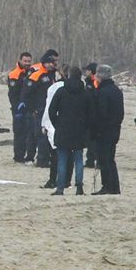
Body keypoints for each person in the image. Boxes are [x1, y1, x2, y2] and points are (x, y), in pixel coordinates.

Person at [49, 67, 93, 195]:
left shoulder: (61, 91)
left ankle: (60, 188)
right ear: (80, 77)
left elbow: (52, 110)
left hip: (63, 128)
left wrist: (57, 124)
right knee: (78, 158)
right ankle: (79, 187)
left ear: (68, 76)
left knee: (62, 158)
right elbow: (91, 114)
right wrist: (86, 127)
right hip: (79, 130)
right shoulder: (85, 93)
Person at [18, 52, 58, 167]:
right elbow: (26, 93)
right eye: (48, 63)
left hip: (50, 109)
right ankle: (39, 159)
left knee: (49, 133)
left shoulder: (53, 75)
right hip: (39, 109)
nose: (50, 65)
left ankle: (46, 157)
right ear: (43, 63)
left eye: (52, 63)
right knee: (38, 134)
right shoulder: (36, 75)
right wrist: (32, 109)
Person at [92, 64, 124, 195]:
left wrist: (97, 130)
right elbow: (120, 113)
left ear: (100, 76)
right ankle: (114, 187)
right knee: (110, 158)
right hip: (115, 129)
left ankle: (107, 186)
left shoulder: (102, 92)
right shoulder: (116, 90)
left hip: (104, 131)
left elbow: (101, 113)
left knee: (104, 159)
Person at [41, 64, 69, 189]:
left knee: (55, 154)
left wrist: (44, 124)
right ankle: (67, 180)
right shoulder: (79, 87)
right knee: (70, 154)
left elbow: (49, 108)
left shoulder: (54, 88)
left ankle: (53, 180)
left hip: (55, 123)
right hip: (71, 124)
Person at [8, 52, 33, 163]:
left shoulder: (31, 73)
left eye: (29, 61)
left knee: (29, 133)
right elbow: (12, 95)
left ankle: (28, 156)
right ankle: (18, 157)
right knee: (19, 133)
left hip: (29, 107)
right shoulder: (14, 74)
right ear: (20, 61)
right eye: (25, 61)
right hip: (18, 108)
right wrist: (17, 108)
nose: (27, 63)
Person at [83, 62, 100, 169]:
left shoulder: (93, 82)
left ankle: (93, 160)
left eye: (87, 70)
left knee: (93, 139)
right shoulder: (90, 82)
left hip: (93, 114)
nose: (85, 72)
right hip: (92, 114)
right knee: (90, 139)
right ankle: (90, 159)